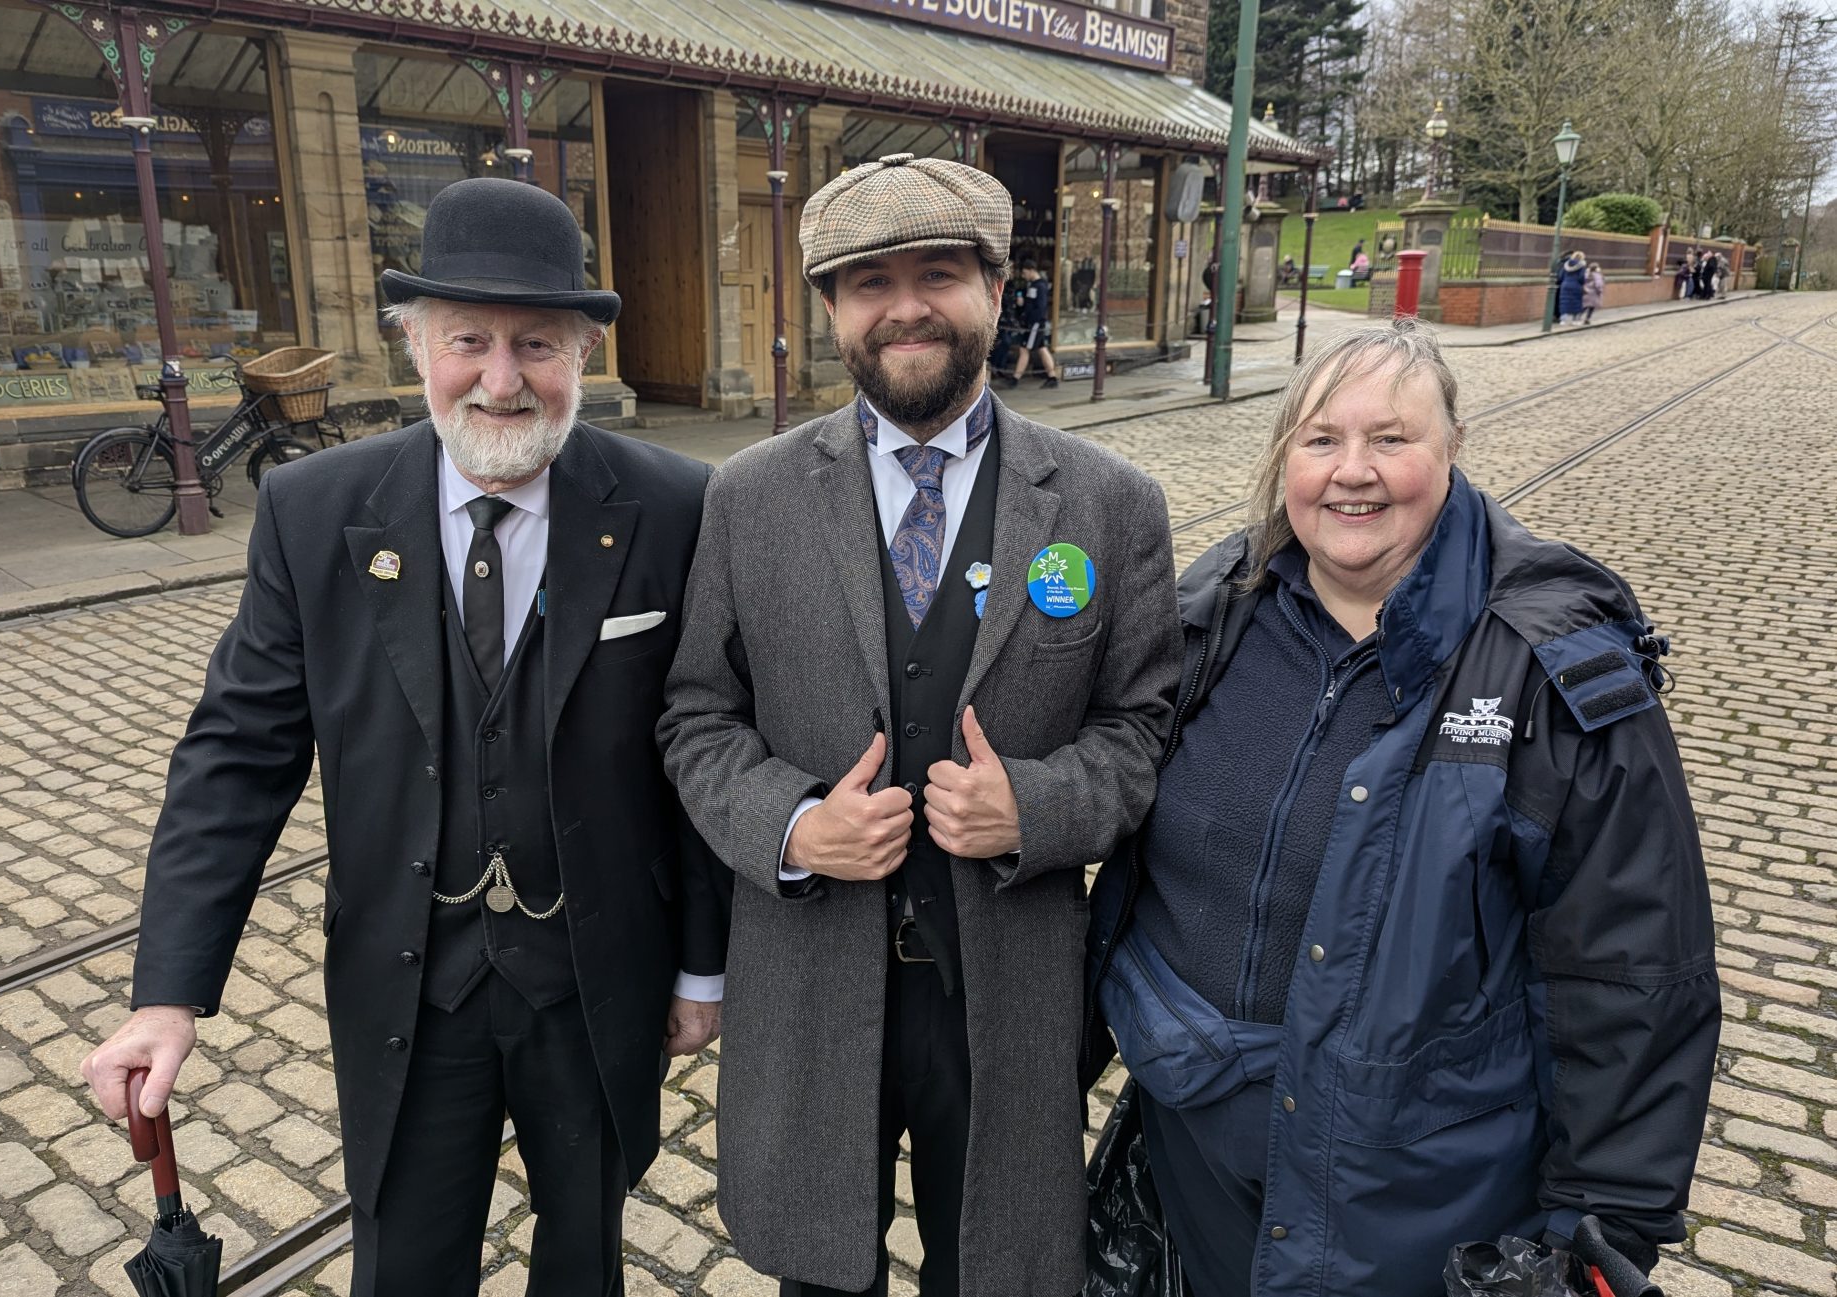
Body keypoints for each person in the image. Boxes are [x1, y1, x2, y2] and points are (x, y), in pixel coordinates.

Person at [81, 178, 730, 1296]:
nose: (501, 378)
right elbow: (238, 752)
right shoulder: (313, 510)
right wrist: (166, 994)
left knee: (587, 1256)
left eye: (536, 343)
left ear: (583, 354)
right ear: (414, 345)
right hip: (409, 982)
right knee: (407, 1267)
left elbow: (703, 744)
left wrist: (702, 966)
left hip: (598, 976)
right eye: (468, 340)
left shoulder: (677, 505)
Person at [1088, 318, 1719, 1297]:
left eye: (1391, 438)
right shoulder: (1218, 602)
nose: (1353, 471)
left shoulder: (1551, 662)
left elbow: (1633, 963)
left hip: (1410, 1203)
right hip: (1193, 1159)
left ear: (1452, 446)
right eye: (1320, 440)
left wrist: (1603, 1223)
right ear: (1284, 458)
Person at [660, 151, 1179, 1297]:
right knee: (819, 1276)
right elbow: (695, 713)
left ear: (994, 288)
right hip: (810, 979)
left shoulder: (1108, 503)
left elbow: (1141, 729)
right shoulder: (747, 497)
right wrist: (790, 824)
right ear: (829, 310)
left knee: (990, 1272)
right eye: (868, 282)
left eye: (936, 273)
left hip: (1007, 989)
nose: (905, 307)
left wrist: (1034, 806)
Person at [997, 258, 1059, 389]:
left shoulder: (1040, 286)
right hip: (1034, 324)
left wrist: (1030, 321)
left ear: (1031, 270)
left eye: (1025, 273)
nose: (1023, 276)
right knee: (1042, 349)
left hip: (1034, 325)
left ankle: (1015, 378)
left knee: (1024, 349)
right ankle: (1052, 376)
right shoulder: (1033, 285)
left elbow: (1040, 308)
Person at [1556, 248, 1588, 320]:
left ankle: (1563, 320)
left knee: (1564, 302)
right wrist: (1582, 283)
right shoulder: (1582, 266)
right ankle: (1575, 319)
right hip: (1576, 285)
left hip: (1565, 285)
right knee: (1576, 302)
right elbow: (1581, 277)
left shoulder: (1565, 265)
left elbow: (1560, 276)